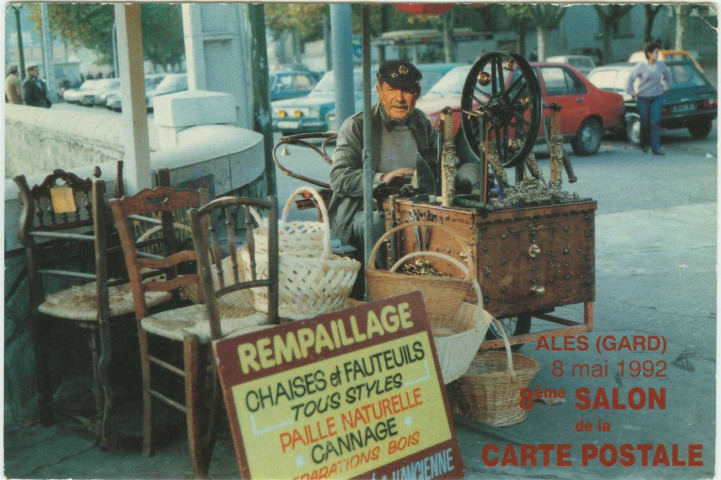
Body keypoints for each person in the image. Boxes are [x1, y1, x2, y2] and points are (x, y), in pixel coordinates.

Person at [328, 60, 482, 256]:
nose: (399, 98)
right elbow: (339, 177)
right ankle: (384, 281)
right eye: (392, 89)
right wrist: (382, 178)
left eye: (407, 90)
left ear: (416, 94)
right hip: (362, 212)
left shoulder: (421, 122)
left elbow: (441, 165)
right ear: (379, 91)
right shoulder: (358, 126)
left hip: (413, 208)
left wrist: (468, 174)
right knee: (377, 222)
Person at [626, 41, 671, 155]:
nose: (658, 54)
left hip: (657, 96)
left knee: (655, 122)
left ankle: (656, 147)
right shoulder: (640, 66)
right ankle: (644, 143)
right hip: (643, 98)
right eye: (656, 52)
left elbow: (668, 77)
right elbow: (629, 80)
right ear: (649, 53)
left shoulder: (661, 65)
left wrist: (666, 87)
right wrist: (632, 92)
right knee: (644, 122)